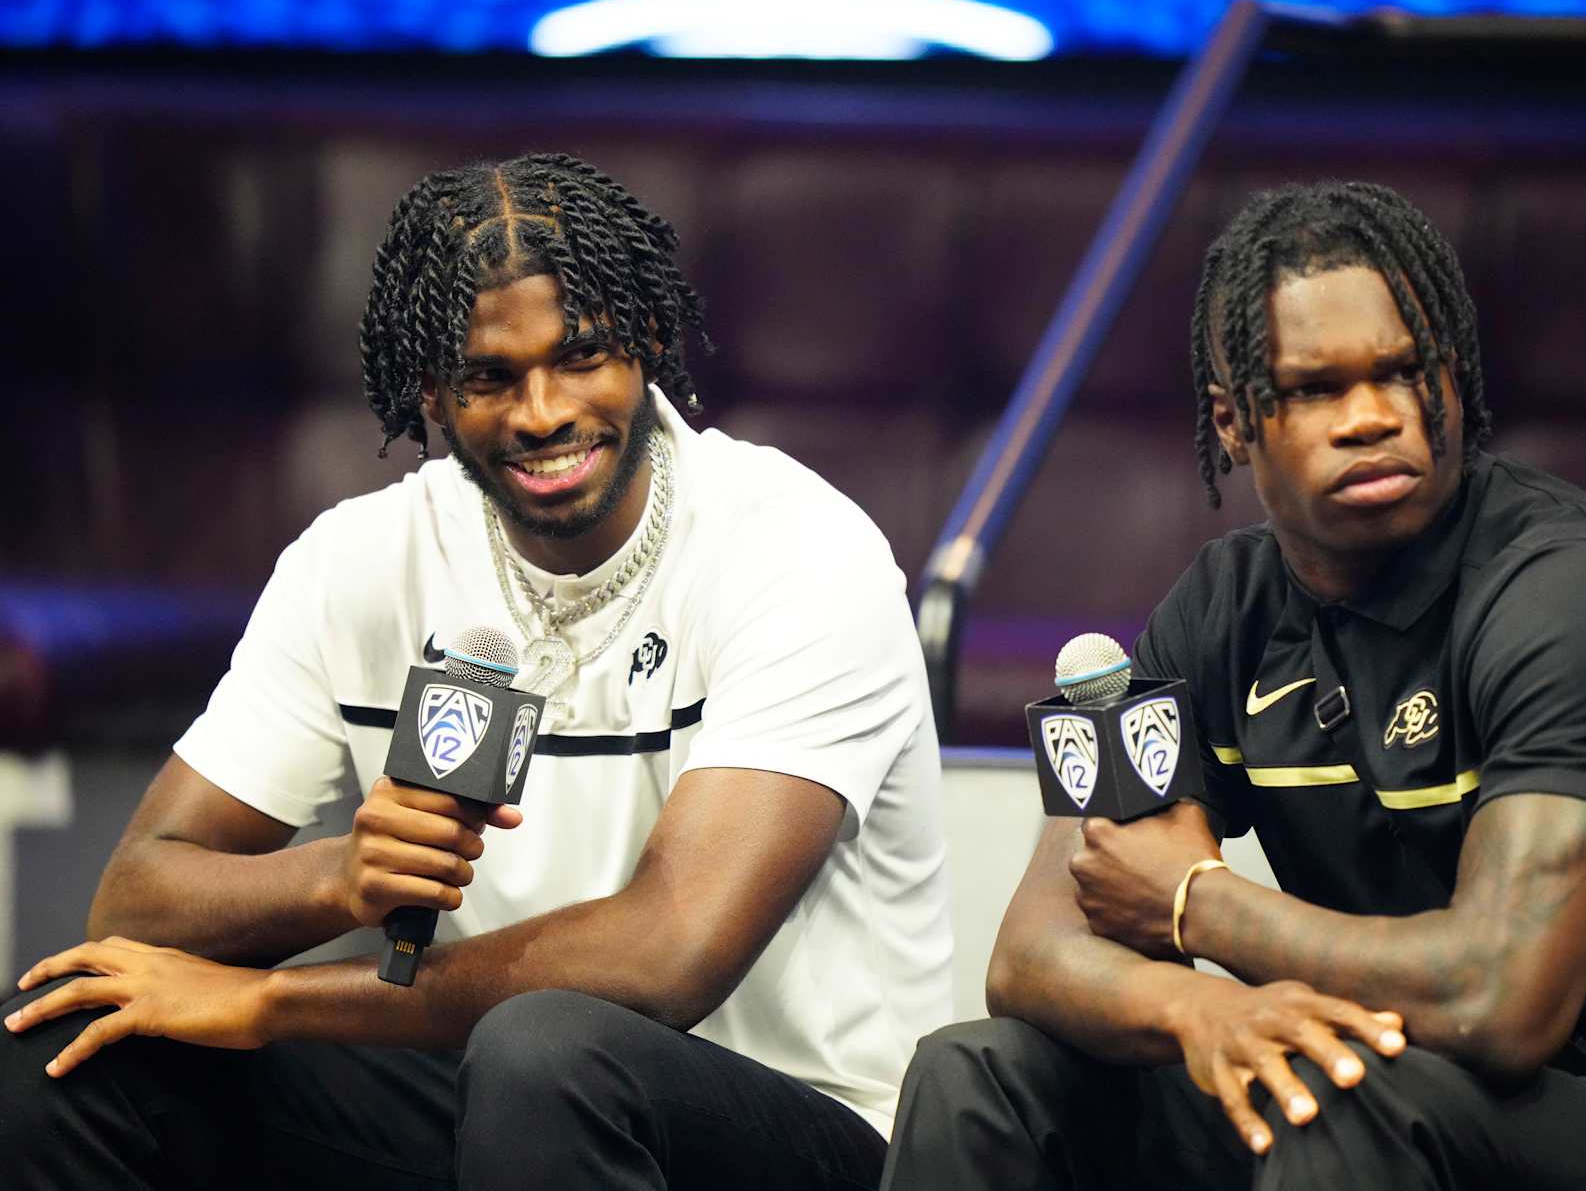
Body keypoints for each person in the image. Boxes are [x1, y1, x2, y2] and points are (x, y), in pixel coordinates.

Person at [0, 153, 951, 1190]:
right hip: (490, 1091)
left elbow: (668, 952)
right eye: (491, 377)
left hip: (808, 1130)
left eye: (581, 358)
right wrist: (336, 876)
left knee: (546, 1055)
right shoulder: (359, 563)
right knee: (68, 1041)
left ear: (651, 346)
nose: (541, 412)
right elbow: (139, 903)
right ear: (434, 395)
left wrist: (270, 1001)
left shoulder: (796, 549)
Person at [881, 180, 1586, 1189]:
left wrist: (1197, 905)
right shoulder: (1223, 611)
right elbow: (1034, 953)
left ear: (1451, 378)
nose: (1371, 418)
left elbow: (1504, 998)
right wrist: (1205, 1009)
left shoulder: (1576, 596)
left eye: (1405, 373)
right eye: (1316, 388)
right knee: (980, 1074)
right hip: (1411, 1100)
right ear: (1233, 423)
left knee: (1339, 1097)